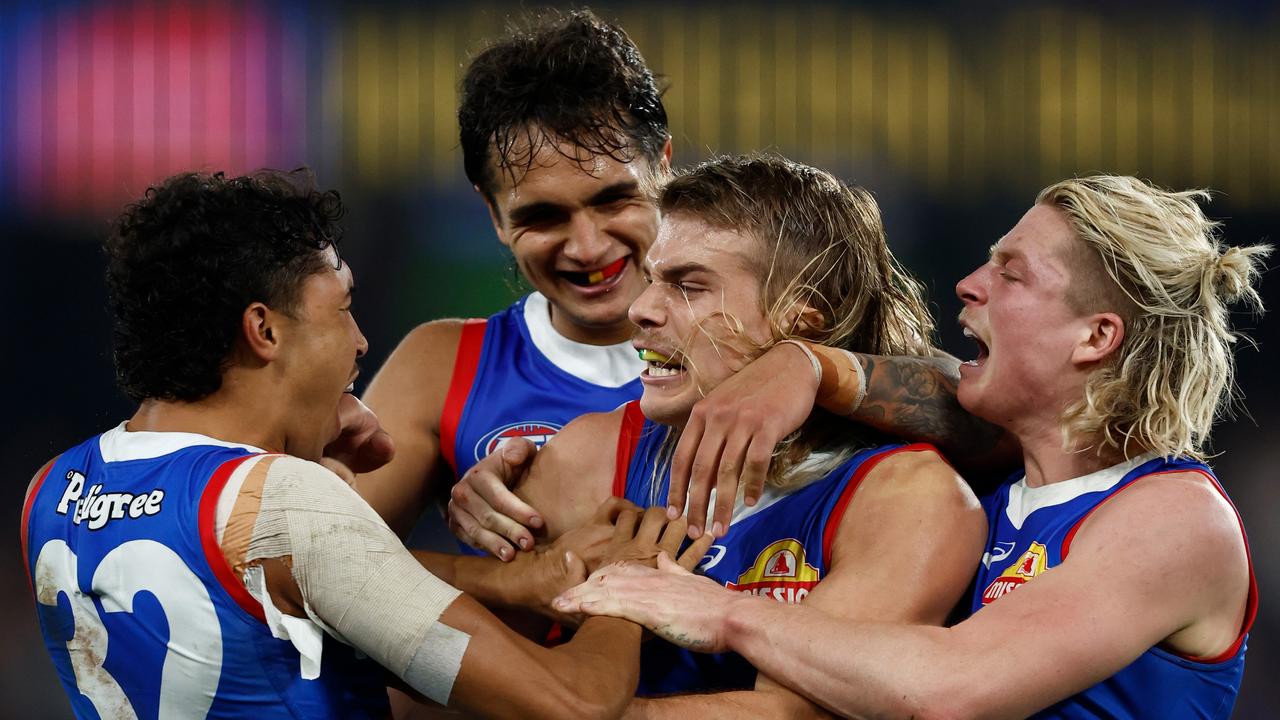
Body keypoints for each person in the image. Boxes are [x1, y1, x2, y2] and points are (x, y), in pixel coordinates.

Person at [556, 175, 1266, 718]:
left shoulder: (1175, 519)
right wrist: (804, 365)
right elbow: (932, 386)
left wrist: (725, 613)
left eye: (1010, 273)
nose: (970, 285)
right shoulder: (990, 479)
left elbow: (951, 689)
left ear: (1096, 337)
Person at [20, 169, 707, 719]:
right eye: (342, 307)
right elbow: (573, 703)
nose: (359, 340)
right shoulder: (288, 507)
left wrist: (504, 579)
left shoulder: (49, 489)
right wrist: (626, 586)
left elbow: (283, 596)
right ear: (265, 330)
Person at [356, 9, 1006, 557]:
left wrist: (810, 367)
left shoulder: (768, 318)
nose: (588, 247)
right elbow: (312, 571)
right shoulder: (447, 368)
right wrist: (490, 561)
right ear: (493, 214)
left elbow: (990, 423)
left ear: (663, 162)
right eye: (542, 217)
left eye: (614, 200)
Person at [464, 154, 986, 712]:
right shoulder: (590, 456)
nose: (640, 310)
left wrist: (565, 709)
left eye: (688, 287)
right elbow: (457, 665)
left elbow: (788, 714)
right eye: (650, 281)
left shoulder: (908, 498)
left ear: (799, 319)